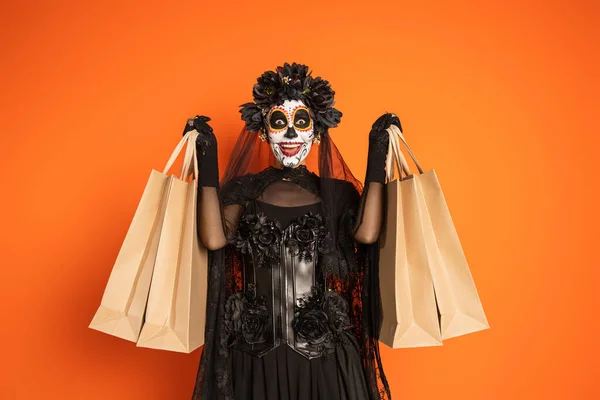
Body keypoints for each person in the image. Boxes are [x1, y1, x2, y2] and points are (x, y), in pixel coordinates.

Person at [188, 62, 401, 400]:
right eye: (279, 122)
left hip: (324, 357)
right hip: (254, 354)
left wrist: (377, 159)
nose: (289, 134)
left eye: (301, 122)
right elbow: (214, 239)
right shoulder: (243, 191)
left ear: (316, 131)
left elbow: (367, 235)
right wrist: (208, 165)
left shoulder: (337, 193)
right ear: (263, 131)